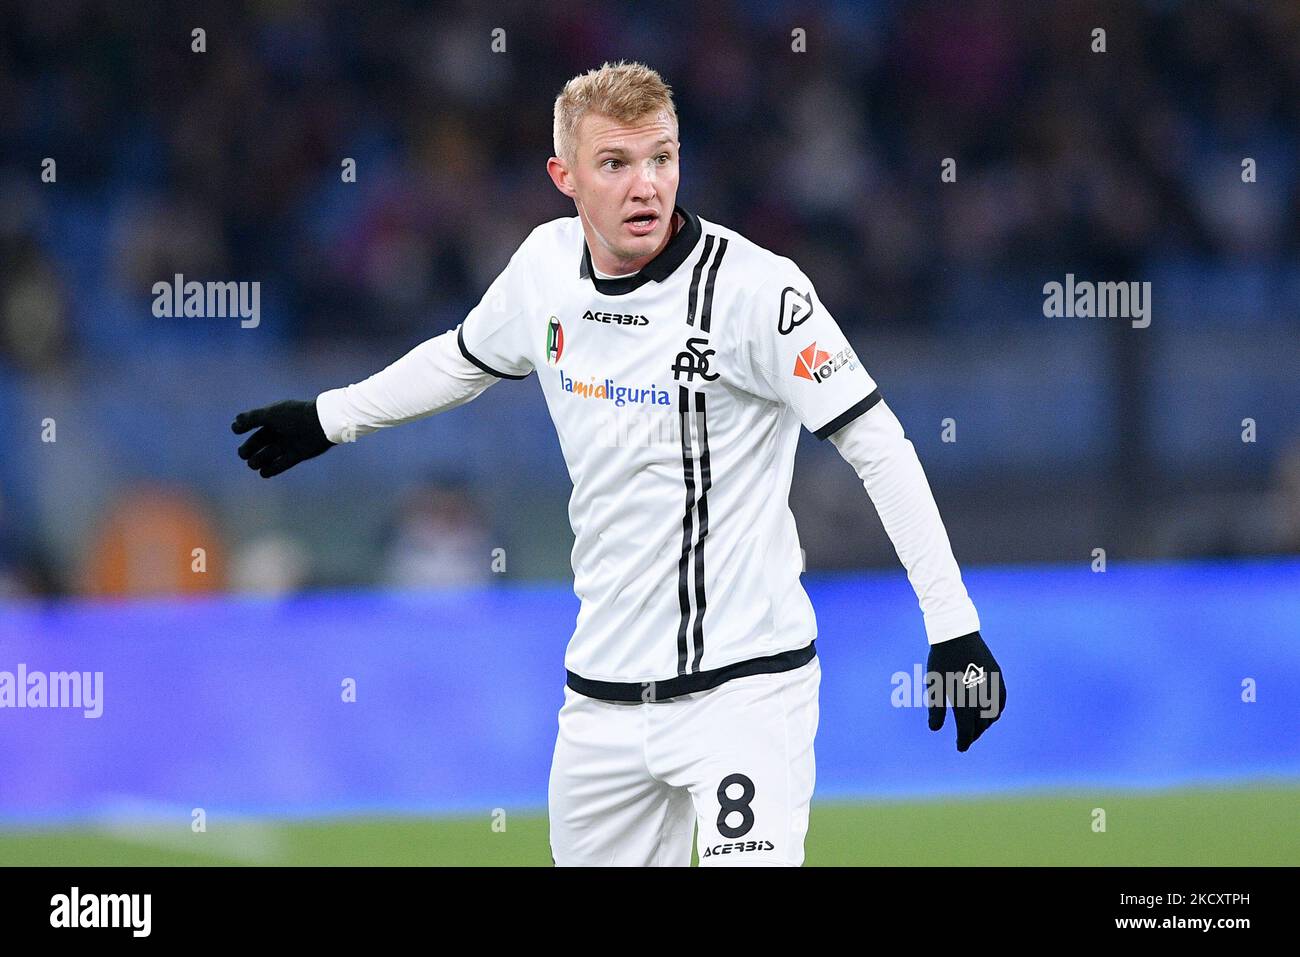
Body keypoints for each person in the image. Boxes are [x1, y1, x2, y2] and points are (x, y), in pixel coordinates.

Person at [231, 60, 1006, 867]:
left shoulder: (758, 293)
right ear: (563, 176)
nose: (646, 186)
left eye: (662, 158)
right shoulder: (544, 270)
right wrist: (329, 417)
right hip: (601, 702)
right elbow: (460, 359)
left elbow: (875, 443)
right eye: (616, 164)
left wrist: (953, 624)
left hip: (746, 691)